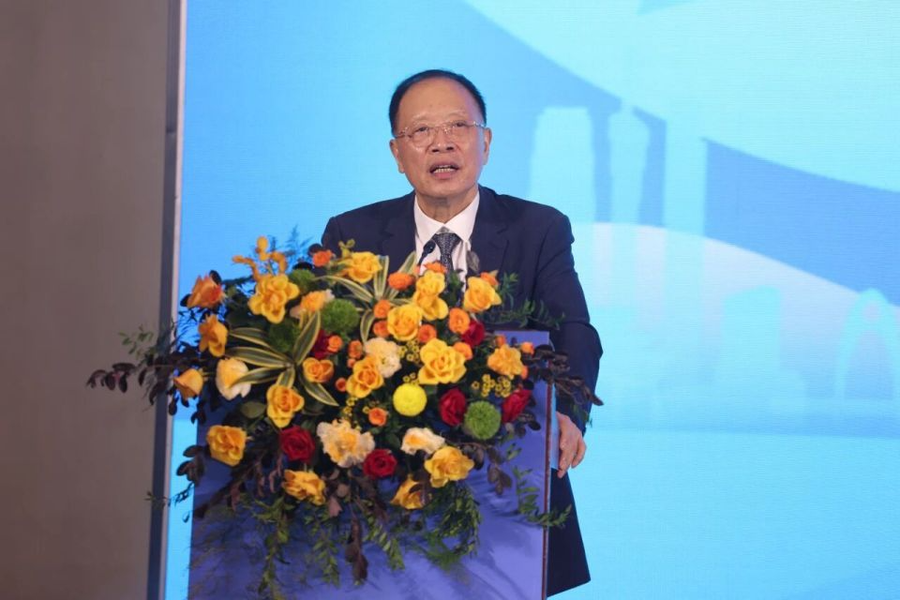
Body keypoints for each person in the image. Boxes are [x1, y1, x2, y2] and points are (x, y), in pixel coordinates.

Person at [321, 69, 602, 596]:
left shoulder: (537, 228)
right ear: (397, 153)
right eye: (421, 131)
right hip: (384, 491)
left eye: (457, 126)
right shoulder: (352, 234)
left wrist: (565, 411)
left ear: (485, 142)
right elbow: (326, 349)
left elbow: (575, 331)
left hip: (506, 486)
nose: (442, 142)